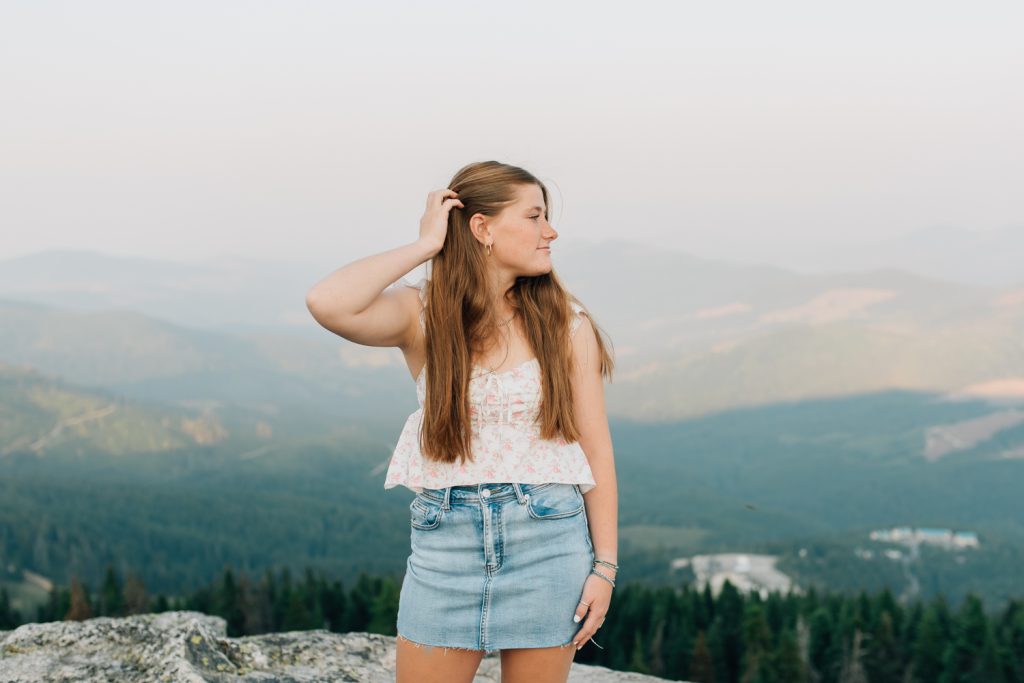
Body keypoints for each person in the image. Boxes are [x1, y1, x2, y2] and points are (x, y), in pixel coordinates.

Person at [306, 160, 618, 683]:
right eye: (535, 216)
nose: (551, 230)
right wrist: (427, 244)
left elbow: (596, 450)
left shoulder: (566, 324)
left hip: (549, 540)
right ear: (482, 228)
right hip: (444, 548)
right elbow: (327, 301)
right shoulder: (423, 314)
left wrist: (604, 567)